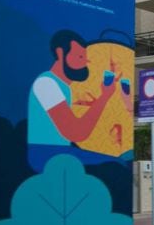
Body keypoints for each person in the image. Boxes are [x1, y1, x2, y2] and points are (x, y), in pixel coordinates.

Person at [28, 29, 124, 172]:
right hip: (46, 154)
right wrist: (104, 97)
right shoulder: (46, 83)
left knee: (119, 161)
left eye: (85, 57)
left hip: (61, 151)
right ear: (61, 54)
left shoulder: (64, 87)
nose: (85, 62)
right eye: (80, 57)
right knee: (116, 165)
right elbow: (76, 133)